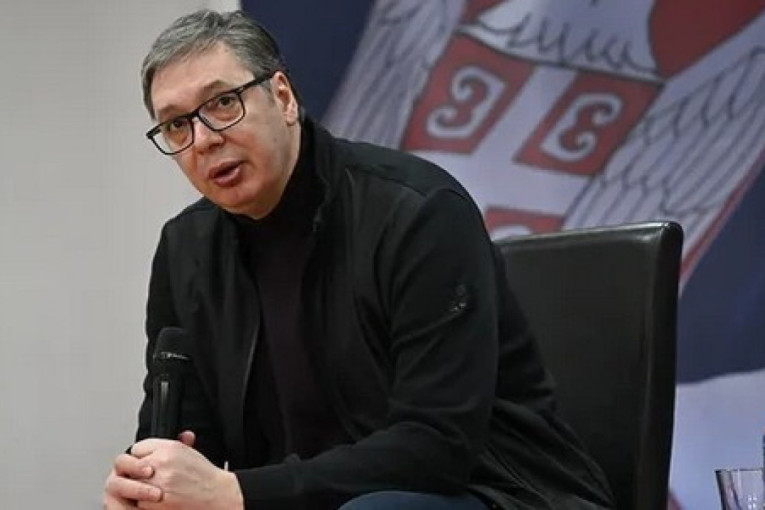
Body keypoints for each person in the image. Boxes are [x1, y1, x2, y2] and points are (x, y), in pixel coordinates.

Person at [103, 9, 614, 510]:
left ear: (283, 97)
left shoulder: (417, 212)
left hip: (493, 492)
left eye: (223, 103)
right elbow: (183, 437)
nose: (204, 139)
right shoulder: (186, 251)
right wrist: (149, 488)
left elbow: (437, 446)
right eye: (176, 125)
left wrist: (240, 493)